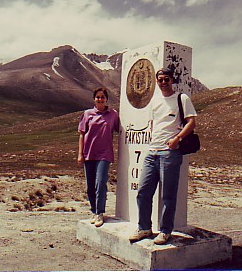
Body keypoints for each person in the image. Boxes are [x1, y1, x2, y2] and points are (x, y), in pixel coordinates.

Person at [129, 67, 197, 245]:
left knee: (167, 196)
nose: (163, 82)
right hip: (152, 152)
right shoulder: (155, 100)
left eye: (166, 79)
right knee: (143, 192)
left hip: (170, 153)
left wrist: (177, 139)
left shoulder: (181, 98)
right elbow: (154, 124)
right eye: (160, 80)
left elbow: (191, 122)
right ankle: (144, 228)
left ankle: (165, 231)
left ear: (172, 80)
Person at [78, 87, 119, 227]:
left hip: (104, 154)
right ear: (94, 99)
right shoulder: (87, 114)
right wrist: (80, 154)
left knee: (100, 183)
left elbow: (120, 129)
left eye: (102, 97)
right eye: (98, 97)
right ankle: (94, 211)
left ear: (106, 99)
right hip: (89, 153)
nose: (100, 99)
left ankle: (100, 212)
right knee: (90, 185)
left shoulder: (113, 114)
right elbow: (82, 134)